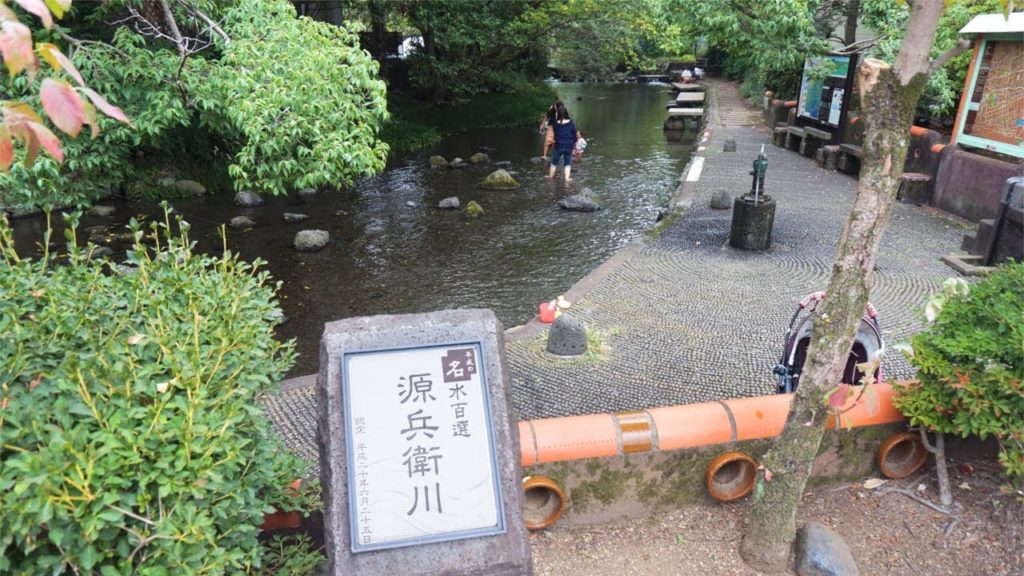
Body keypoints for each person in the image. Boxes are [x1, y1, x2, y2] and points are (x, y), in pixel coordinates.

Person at [548, 101, 578, 183]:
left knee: (554, 162)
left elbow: (555, 135)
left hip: (559, 146)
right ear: (566, 113)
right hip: (569, 146)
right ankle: (567, 179)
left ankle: (550, 177)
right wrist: (574, 145)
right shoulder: (571, 124)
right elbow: (574, 136)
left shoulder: (555, 124)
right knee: (567, 163)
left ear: (558, 114)